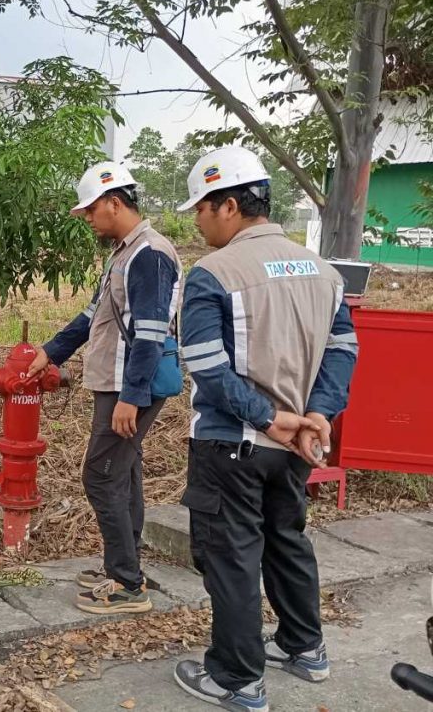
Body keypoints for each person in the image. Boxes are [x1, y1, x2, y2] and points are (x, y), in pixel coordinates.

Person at [171, 146, 358, 712]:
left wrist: (267, 418)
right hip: (296, 445)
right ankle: (305, 649)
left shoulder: (214, 272)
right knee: (286, 540)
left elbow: (205, 363)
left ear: (229, 205)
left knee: (230, 555)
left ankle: (236, 679)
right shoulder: (323, 272)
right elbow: (343, 350)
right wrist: (318, 415)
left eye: (201, 208)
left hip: (235, 444)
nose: (198, 221)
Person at [26, 161, 181, 615]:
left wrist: (131, 396)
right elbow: (94, 315)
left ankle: (127, 585)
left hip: (131, 383)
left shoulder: (149, 254)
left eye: (92, 211)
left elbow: (151, 333)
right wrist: (52, 351)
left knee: (101, 473)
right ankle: (123, 566)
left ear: (116, 202)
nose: (89, 220)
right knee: (124, 471)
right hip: (119, 380)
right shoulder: (125, 254)